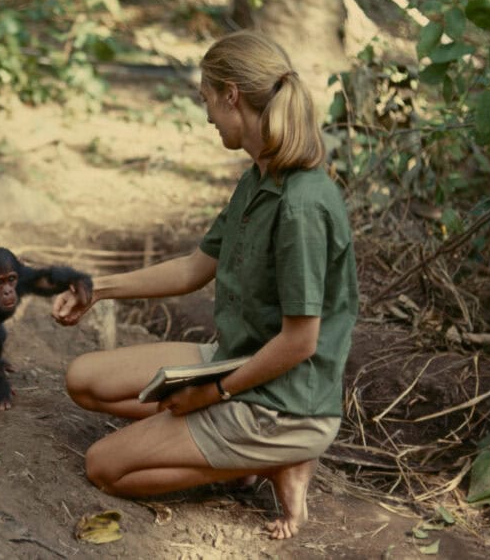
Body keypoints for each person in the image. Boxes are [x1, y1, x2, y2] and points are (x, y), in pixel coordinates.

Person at [52, 30, 358, 540]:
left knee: (104, 466)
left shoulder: (302, 205)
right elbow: (196, 267)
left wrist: (212, 393)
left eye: (207, 100)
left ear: (232, 95)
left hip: (284, 403)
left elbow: (301, 341)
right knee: (84, 378)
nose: (207, 115)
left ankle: (273, 456)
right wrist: (97, 289)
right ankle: (244, 451)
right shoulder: (260, 178)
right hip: (238, 360)